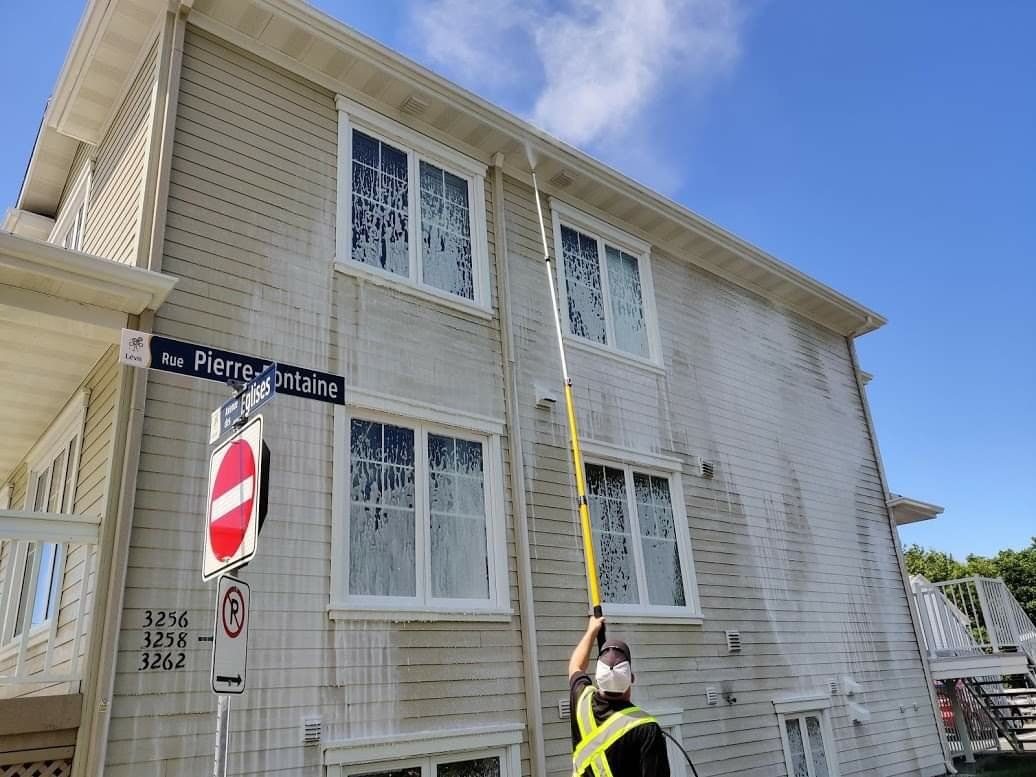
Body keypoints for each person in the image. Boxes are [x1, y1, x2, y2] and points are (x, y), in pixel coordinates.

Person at [569, 616, 670, 777]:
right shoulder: (646, 728)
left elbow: (576, 666)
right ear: (631, 678)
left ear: (597, 678)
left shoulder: (582, 700)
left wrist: (592, 630)